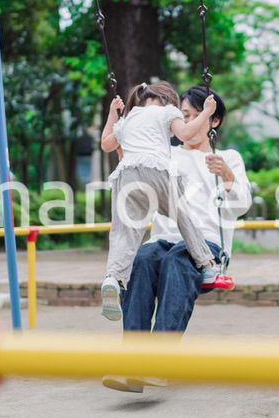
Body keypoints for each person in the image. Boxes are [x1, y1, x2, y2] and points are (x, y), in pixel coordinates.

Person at [102, 86, 251, 393]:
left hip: (206, 245)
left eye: (197, 116)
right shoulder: (165, 154)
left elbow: (240, 206)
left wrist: (226, 176)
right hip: (164, 237)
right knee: (141, 260)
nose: (190, 123)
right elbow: (128, 158)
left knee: (176, 262)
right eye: (185, 117)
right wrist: (119, 120)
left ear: (214, 121)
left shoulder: (227, 158)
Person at [99, 81, 221, 322]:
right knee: (182, 216)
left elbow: (106, 144)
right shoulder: (167, 111)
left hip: (126, 177)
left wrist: (113, 113)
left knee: (124, 231)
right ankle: (206, 265)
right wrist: (206, 112)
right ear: (169, 100)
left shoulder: (129, 117)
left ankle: (113, 277)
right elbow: (185, 133)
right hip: (156, 171)